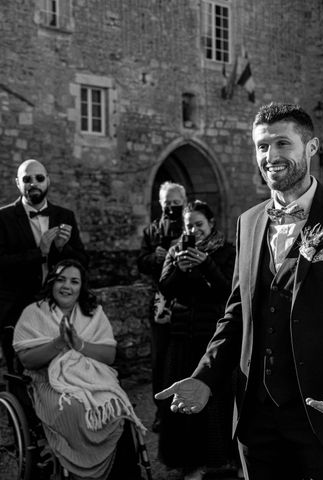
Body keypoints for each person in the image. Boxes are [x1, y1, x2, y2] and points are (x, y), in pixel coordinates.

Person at [157, 102, 323, 480]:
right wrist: (204, 376)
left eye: (283, 144)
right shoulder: (248, 222)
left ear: (311, 148)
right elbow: (236, 314)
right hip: (256, 420)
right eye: (262, 147)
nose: (271, 156)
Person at [12, 259, 144, 479]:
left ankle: (123, 473)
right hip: (47, 379)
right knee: (72, 408)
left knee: (115, 406)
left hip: (89, 377)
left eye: (74, 281)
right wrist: (58, 343)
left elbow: (109, 356)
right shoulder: (33, 312)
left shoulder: (92, 312)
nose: (67, 286)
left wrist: (79, 344)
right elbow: (27, 360)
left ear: (81, 287)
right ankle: (81, 471)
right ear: (51, 282)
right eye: (61, 279)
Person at [157, 200, 236, 480]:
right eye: (189, 225)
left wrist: (206, 265)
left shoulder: (226, 252)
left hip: (211, 339)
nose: (194, 230)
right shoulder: (175, 251)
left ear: (211, 223)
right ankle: (187, 464)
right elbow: (165, 287)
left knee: (214, 405)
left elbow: (229, 290)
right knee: (182, 404)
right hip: (181, 339)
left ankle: (219, 462)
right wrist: (180, 267)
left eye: (199, 224)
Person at [0, 159, 87, 372]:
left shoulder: (65, 216)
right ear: (18, 183)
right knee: (20, 370)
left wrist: (61, 248)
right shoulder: (3, 217)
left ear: (48, 180)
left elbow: (83, 262)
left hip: (57, 307)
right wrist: (40, 254)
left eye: (39, 178)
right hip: (17, 308)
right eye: (26, 179)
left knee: (60, 367)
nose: (33, 183)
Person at [137, 181, 186, 432]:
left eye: (177, 203)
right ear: (160, 203)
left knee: (186, 357)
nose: (172, 208)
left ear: (184, 203)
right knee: (160, 358)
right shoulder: (152, 230)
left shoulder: (191, 227)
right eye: (168, 204)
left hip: (188, 302)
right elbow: (140, 262)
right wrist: (155, 258)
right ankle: (160, 413)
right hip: (161, 303)